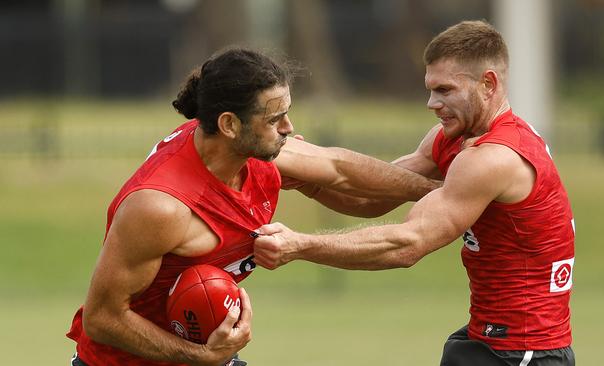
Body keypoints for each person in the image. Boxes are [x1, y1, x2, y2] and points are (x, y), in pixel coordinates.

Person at [66, 48, 440, 366]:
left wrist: (439, 190)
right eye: (275, 119)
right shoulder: (162, 207)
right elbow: (102, 318)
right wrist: (200, 357)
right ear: (229, 124)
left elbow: (341, 176)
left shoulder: (259, 155)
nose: (289, 128)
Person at [254, 20, 576, 366]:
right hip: (485, 339)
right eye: (430, 89)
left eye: (445, 90)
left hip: (522, 352)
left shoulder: (493, 157)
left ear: (488, 83)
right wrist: (307, 182)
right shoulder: (452, 139)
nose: (432, 103)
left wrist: (300, 245)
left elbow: (408, 244)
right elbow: (371, 196)